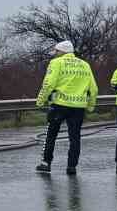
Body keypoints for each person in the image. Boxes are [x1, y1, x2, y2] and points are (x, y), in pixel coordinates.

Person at [35, 39, 97, 175]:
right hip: (78, 107)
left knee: (51, 135)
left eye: (56, 51)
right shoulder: (85, 65)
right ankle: (71, 167)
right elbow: (94, 88)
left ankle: (46, 163)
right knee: (75, 137)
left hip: (59, 105)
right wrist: (91, 106)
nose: (55, 53)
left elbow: (48, 84)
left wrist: (40, 100)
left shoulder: (56, 63)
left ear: (62, 51)